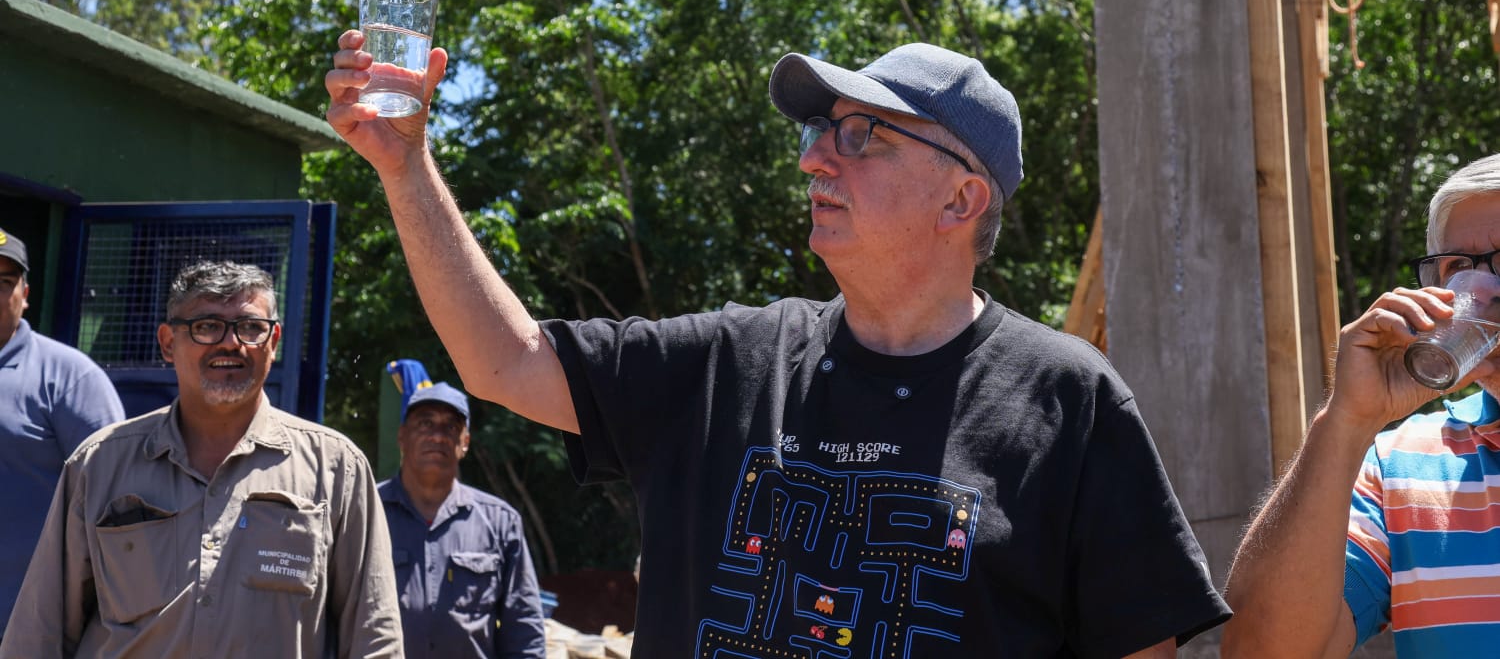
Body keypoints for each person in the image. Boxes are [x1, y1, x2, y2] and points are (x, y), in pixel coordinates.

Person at [326, 34, 1231, 656]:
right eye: (818, 131)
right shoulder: (729, 363)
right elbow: (505, 360)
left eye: (862, 135)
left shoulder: (1068, 400)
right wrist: (405, 167)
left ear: (961, 201)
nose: (813, 160)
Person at [0, 260, 402, 658]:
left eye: (250, 327)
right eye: (206, 326)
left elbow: (375, 639)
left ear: (274, 341)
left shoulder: (336, 470)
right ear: (168, 342)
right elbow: (38, 635)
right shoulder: (100, 464)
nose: (231, 343)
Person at [1224, 154, 1500, 657]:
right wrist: (1347, 421)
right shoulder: (1399, 464)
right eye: (1459, 266)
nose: (1481, 291)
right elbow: (1260, 650)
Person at [0, 226, 125, 640]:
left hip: (28, 627)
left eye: (4, 282)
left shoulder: (69, 378)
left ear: (26, 294)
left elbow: (117, 499)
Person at [380, 381, 547, 658]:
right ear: (402, 436)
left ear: (465, 442)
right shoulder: (366, 510)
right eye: (425, 423)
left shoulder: (500, 523)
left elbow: (524, 630)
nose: (438, 436)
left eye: (451, 427)